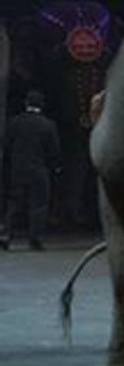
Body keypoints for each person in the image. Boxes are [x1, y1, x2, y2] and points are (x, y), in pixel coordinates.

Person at [2, 90, 61, 251]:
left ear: (26, 103)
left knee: (14, 203)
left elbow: (6, 146)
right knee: (38, 205)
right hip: (39, 169)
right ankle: (35, 239)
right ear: (41, 105)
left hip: (18, 169)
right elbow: (54, 151)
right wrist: (55, 167)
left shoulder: (14, 122)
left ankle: (7, 234)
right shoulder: (48, 125)